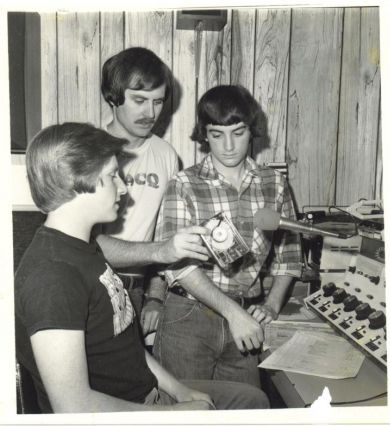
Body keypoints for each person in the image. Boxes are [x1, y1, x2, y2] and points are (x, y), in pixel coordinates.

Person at [14, 122, 270, 413]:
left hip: (148, 395)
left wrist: (179, 390)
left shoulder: (84, 248)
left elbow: (126, 345)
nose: (124, 189)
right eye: (113, 176)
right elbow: (73, 407)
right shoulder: (53, 276)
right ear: (78, 180)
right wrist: (173, 414)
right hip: (127, 411)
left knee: (253, 400)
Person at [153, 85, 303, 388]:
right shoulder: (183, 184)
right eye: (217, 134)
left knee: (247, 408)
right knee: (185, 411)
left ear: (252, 131)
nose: (229, 145)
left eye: (238, 131)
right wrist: (234, 314)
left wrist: (272, 305)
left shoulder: (274, 184)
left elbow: (289, 256)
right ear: (204, 135)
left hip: (246, 318)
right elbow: (178, 266)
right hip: (188, 317)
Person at [97, 47, 208, 334]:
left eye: (158, 102)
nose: (151, 113)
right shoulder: (86, 148)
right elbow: (86, 243)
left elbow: (166, 233)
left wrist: (155, 297)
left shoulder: (166, 155)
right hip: (90, 285)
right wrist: (162, 251)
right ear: (113, 96)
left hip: (136, 290)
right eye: (139, 100)